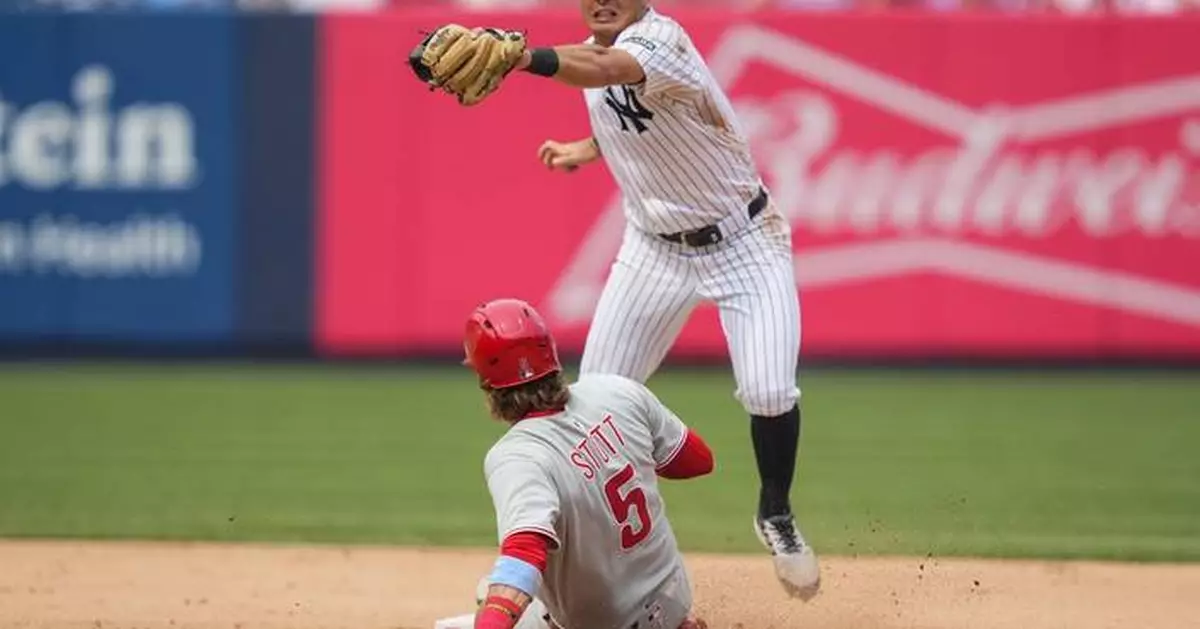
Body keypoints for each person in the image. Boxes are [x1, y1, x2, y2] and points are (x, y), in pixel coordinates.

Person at [506, 0, 820, 599]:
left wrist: (524, 57)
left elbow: (609, 72)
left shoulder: (660, 41)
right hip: (654, 251)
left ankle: (775, 513)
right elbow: (636, 112)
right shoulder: (596, 54)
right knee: (592, 401)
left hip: (745, 242)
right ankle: (591, 552)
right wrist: (586, 148)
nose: (602, 1)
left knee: (769, 390)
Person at [465, 298, 713, 629]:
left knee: (491, 599)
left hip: (607, 623)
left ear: (487, 383)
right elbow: (697, 461)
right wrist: (608, 458)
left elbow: (524, 556)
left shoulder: (516, 456)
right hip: (674, 602)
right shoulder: (615, 390)